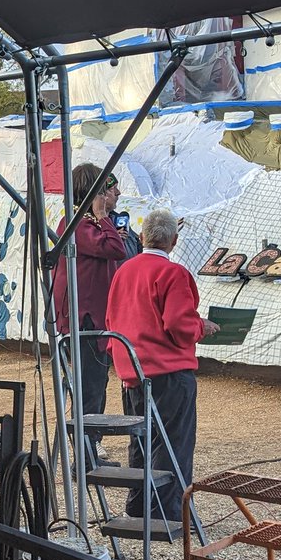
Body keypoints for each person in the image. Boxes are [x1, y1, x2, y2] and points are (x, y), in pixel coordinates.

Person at [105, 209, 219, 520]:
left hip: (132, 372)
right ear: (174, 241)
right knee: (173, 444)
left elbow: (111, 319)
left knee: (141, 442)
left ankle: (139, 506)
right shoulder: (174, 274)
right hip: (168, 373)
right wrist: (200, 327)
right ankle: (167, 513)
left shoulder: (123, 272)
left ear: (141, 237)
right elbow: (179, 325)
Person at [52, 165, 128, 444]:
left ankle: (90, 445)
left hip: (93, 317)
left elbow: (118, 252)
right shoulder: (79, 225)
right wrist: (101, 215)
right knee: (90, 386)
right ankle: (86, 451)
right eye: (111, 189)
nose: (117, 193)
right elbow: (114, 249)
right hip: (85, 320)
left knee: (96, 382)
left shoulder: (83, 225)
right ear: (98, 194)